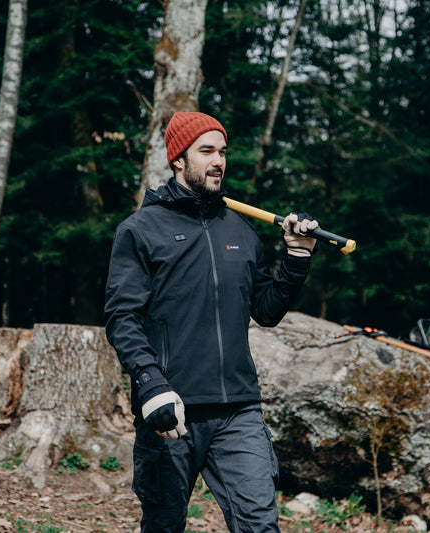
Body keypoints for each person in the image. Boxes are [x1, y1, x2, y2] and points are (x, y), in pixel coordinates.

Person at [104, 111, 319, 533]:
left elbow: (267, 310)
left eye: (222, 151)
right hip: (171, 410)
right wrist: (150, 385)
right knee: (164, 525)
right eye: (206, 151)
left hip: (239, 409)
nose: (218, 160)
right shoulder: (140, 230)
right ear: (178, 160)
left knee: (259, 524)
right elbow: (121, 317)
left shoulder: (240, 229)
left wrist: (296, 257)